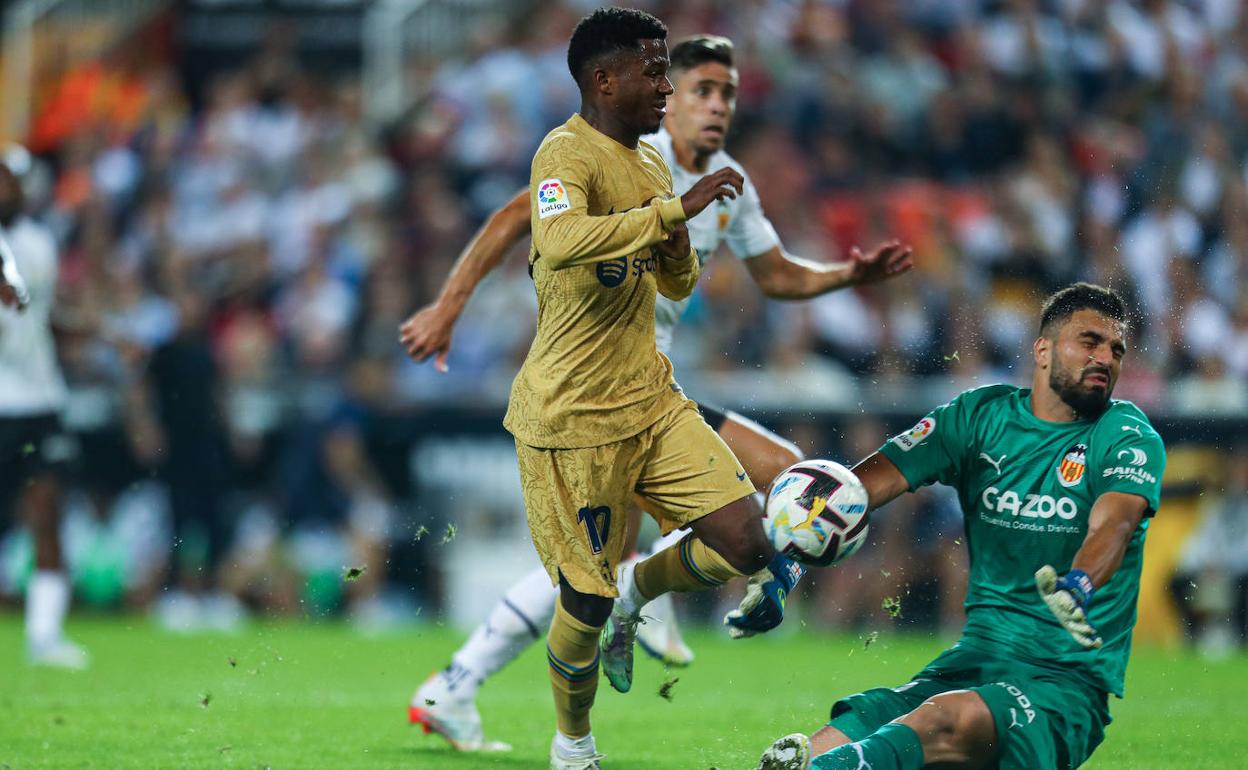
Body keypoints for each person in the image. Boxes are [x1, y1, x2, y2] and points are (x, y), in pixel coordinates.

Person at [402, 33, 912, 752]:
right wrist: (448, 307)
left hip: (652, 387)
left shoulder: (729, 180)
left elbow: (775, 275)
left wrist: (845, 278)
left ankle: (595, 617)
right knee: (596, 577)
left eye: (726, 94)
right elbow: (520, 220)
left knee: (755, 495)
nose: (711, 105)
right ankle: (494, 674)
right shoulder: (616, 155)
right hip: (585, 392)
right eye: (696, 89)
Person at [755, 282, 1166, 770]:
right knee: (850, 727)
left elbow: (1114, 525)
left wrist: (1078, 583)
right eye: (1090, 341)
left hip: (1061, 686)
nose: (1105, 357)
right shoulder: (979, 417)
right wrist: (783, 561)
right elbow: (856, 490)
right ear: (1043, 349)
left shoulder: (1126, 434)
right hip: (974, 661)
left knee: (946, 718)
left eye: (1116, 349)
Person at [0, 143, 88, 669]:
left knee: (47, 510)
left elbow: (38, 317)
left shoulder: (37, 244)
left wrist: (96, 331)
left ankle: (44, 634)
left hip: (37, 398)